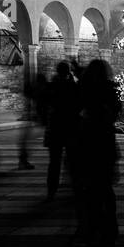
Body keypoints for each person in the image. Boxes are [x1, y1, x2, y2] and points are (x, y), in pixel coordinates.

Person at [75, 59, 122, 247]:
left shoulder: (85, 92)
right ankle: (109, 229)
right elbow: (114, 114)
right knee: (105, 189)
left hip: (88, 144)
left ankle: (91, 229)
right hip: (105, 143)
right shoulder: (110, 91)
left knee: (89, 190)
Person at [43, 61, 79, 200]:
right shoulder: (71, 86)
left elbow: (47, 104)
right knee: (72, 160)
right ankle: (75, 188)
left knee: (54, 162)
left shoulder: (52, 86)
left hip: (55, 129)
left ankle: (51, 191)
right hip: (70, 128)